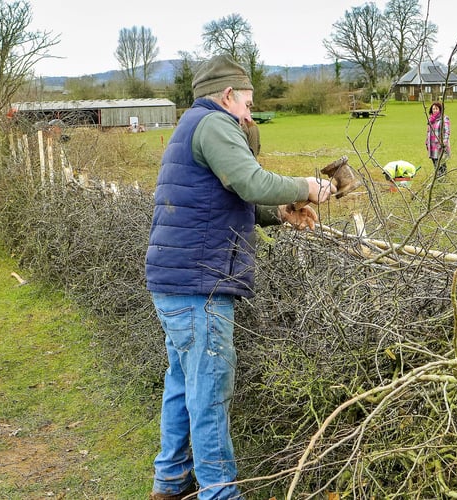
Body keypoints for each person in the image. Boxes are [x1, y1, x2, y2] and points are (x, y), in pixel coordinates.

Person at [145, 54, 335, 500]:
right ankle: (220, 493)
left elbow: (225, 196)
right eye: (248, 104)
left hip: (176, 280)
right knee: (209, 394)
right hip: (199, 285)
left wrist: (278, 213)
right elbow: (249, 180)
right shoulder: (214, 123)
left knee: (182, 384)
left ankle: (170, 482)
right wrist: (307, 187)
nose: (250, 115)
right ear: (228, 96)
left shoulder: (194, 123)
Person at [426, 101, 450, 177]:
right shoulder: (430, 120)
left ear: (440, 109)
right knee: (435, 165)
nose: (435, 110)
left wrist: (444, 144)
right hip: (432, 146)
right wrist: (426, 142)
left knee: (441, 165)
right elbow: (428, 132)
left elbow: (447, 132)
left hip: (440, 146)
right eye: (433, 109)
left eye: (436, 108)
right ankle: (437, 179)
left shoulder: (444, 119)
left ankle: (443, 180)